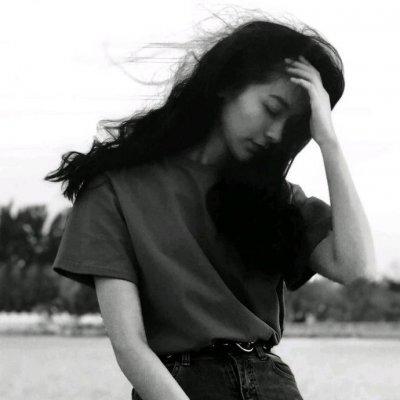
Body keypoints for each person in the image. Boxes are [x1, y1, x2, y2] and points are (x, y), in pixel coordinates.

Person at [46, 15, 377, 400]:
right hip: (177, 386)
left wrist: (328, 141)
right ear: (227, 83)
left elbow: (355, 267)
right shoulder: (113, 190)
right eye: (272, 108)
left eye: (292, 125)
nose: (276, 134)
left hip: (272, 384)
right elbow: (130, 346)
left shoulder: (277, 201)